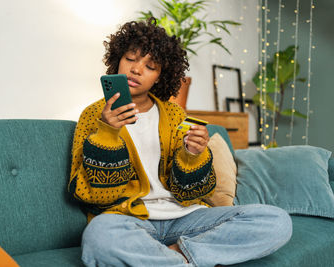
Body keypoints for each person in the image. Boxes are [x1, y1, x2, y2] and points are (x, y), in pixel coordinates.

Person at [68, 18, 292, 267]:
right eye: (130, 59)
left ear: (160, 76)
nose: (136, 69)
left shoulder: (174, 115)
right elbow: (93, 195)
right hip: (130, 220)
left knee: (277, 221)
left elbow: (194, 193)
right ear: (117, 59)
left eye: (150, 66)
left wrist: (193, 154)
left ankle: (180, 254)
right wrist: (108, 133)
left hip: (186, 218)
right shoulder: (94, 115)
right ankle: (184, 261)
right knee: (99, 235)